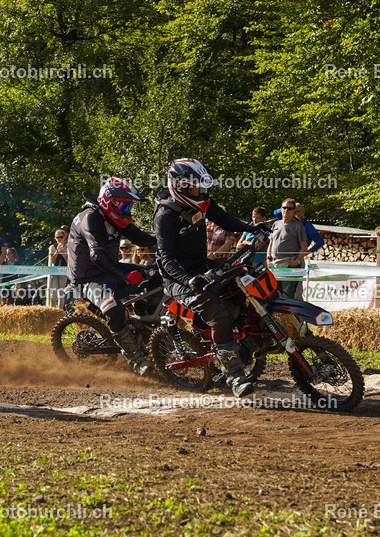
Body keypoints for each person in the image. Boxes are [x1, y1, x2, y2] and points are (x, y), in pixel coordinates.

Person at [153, 159, 267, 396]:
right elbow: (165, 259)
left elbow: (224, 219)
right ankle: (235, 376)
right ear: (180, 187)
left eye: (204, 189)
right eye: (197, 189)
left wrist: (252, 227)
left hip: (201, 265)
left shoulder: (202, 203)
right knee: (219, 314)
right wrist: (187, 281)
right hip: (177, 278)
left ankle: (251, 340)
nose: (202, 194)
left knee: (245, 280)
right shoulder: (165, 215)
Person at [67, 177, 157, 376]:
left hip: (108, 269)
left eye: (129, 206)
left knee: (155, 276)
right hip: (87, 277)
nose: (126, 211)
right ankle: (135, 358)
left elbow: (140, 237)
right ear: (108, 200)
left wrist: (167, 239)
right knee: (113, 306)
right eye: (123, 206)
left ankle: (149, 331)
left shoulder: (113, 215)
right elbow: (96, 254)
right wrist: (122, 276)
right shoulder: (90, 217)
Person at [267, 199, 309, 300]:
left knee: (287, 296)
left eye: (289, 208)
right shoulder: (275, 224)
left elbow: (304, 246)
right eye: (284, 208)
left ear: (294, 210)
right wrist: (268, 258)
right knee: (273, 294)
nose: (286, 210)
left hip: (290, 265)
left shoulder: (298, 226)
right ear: (281, 209)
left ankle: (288, 316)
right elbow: (271, 243)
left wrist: (297, 261)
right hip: (275, 264)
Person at [47, 227, 68, 308]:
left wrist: (62, 253)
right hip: (54, 270)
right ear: (55, 238)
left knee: (61, 292)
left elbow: (68, 262)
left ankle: (60, 310)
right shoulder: (52, 247)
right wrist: (56, 252)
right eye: (57, 237)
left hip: (63, 271)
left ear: (64, 237)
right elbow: (52, 261)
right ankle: (52, 309)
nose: (59, 239)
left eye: (61, 237)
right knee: (54, 292)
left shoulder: (68, 247)